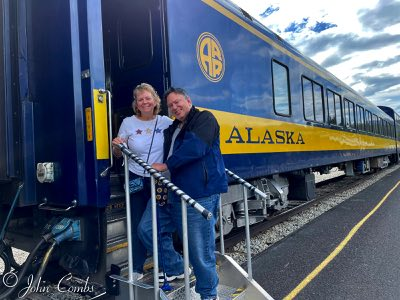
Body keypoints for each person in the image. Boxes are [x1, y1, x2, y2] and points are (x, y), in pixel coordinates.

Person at [138, 87, 228, 299]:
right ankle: (177, 266)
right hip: (172, 192)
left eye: (178, 102)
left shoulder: (204, 118)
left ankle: (208, 294)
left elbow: (196, 148)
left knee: (199, 250)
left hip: (198, 194)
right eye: (171, 105)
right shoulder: (174, 127)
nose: (175, 107)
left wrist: (166, 165)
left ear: (188, 100)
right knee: (147, 229)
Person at [112, 83, 172, 280]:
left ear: (155, 101)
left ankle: (167, 267)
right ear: (136, 104)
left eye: (148, 98)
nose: (145, 102)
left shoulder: (165, 122)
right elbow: (118, 154)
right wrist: (118, 147)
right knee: (137, 224)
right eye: (140, 99)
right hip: (136, 177)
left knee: (159, 223)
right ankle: (137, 268)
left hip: (159, 179)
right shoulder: (128, 123)